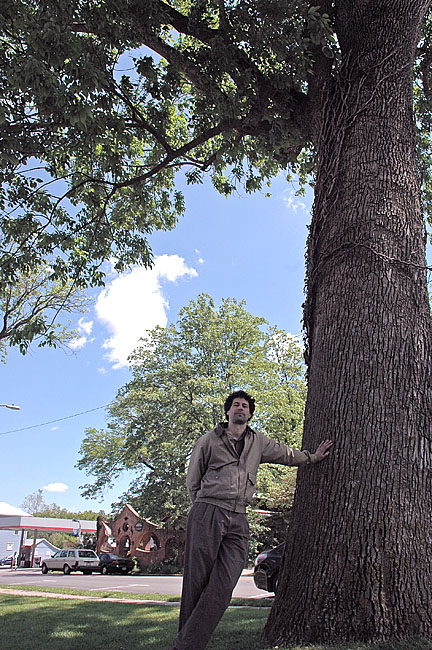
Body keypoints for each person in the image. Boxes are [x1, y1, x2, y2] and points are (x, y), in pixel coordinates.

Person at [169, 390, 333, 650]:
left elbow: (286, 454)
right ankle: (188, 647)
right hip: (208, 511)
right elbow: (193, 481)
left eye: (245, 406)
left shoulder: (258, 442)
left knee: (225, 584)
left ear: (250, 414)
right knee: (196, 583)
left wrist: (312, 457)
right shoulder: (208, 441)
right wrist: (202, 509)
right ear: (228, 411)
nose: (240, 408)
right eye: (236, 405)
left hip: (239, 517)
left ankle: (184, 643)